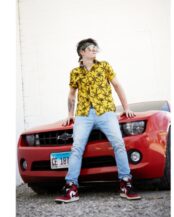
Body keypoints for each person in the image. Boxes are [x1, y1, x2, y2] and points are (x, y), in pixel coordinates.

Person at [55, 38, 141, 203]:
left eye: (96, 47)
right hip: (83, 114)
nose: (94, 50)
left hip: (106, 112)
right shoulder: (75, 72)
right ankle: (71, 188)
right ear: (82, 52)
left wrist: (126, 108)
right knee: (77, 147)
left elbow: (117, 86)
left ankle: (126, 184)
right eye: (90, 48)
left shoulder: (104, 66)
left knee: (118, 144)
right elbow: (72, 95)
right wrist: (70, 114)